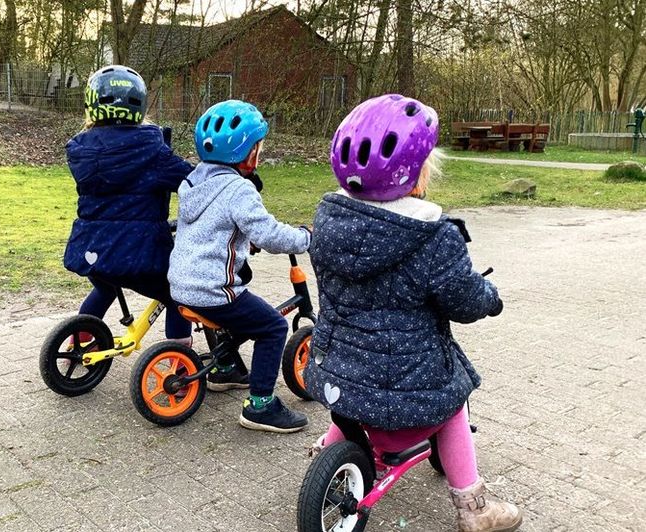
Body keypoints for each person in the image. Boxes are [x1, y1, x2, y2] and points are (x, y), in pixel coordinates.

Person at [304, 94, 520, 531]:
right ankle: (474, 509)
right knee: (453, 402)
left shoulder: (328, 225)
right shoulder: (435, 239)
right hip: (409, 397)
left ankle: (327, 450)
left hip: (338, 379)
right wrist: (489, 297)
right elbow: (465, 301)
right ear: (418, 174)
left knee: (356, 400)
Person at [168, 100, 312, 433]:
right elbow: (271, 234)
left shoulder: (192, 183)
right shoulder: (239, 188)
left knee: (242, 312)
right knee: (272, 327)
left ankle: (226, 367)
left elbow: (214, 228)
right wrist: (305, 237)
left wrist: (247, 240)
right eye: (258, 147)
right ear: (249, 153)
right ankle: (261, 406)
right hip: (213, 290)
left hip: (181, 286)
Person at [63, 65, 193, 345]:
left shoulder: (82, 152)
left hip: (92, 250)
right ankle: (180, 364)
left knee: (105, 287)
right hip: (137, 254)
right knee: (178, 293)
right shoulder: (153, 153)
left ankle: (79, 340)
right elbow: (192, 181)